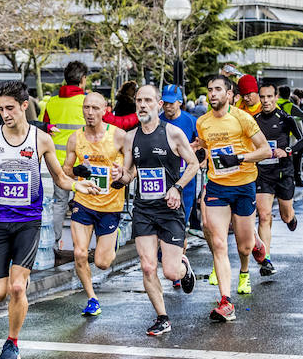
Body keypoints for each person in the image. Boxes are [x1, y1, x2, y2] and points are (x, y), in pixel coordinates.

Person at [0, 80, 101, 359]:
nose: (5, 114)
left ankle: (12, 341)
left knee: (16, 287)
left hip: (29, 223)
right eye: (0, 109)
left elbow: (60, 178)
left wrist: (79, 186)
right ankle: (18, 287)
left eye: (11, 108)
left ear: (25, 106)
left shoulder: (41, 140)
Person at [110, 85, 199, 336]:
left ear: (159, 104)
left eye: (148, 100)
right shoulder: (131, 137)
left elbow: (193, 164)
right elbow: (129, 174)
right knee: (148, 266)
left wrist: (177, 188)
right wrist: (121, 175)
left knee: (170, 271)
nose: (142, 105)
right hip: (144, 209)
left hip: (170, 209)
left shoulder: (173, 134)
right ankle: (162, 317)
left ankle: (183, 266)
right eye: (139, 100)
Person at [195, 75, 272, 318]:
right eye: (210, 90)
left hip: (243, 185)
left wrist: (239, 159)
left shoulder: (243, 119)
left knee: (245, 246)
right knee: (218, 242)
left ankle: (257, 243)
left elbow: (265, 150)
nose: (213, 94)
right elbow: (205, 147)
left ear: (229, 94)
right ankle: (226, 302)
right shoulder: (203, 122)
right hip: (217, 185)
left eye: (218, 89)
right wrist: (198, 154)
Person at [63, 92, 128, 316]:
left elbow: (133, 169)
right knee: (80, 253)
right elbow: (66, 170)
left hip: (110, 205)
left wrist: (123, 175)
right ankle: (92, 298)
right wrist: (76, 172)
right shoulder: (75, 138)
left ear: (105, 110)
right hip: (84, 202)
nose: (89, 113)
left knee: (102, 262)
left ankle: (114, 238)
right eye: (86, 107)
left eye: (94, 108)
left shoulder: (119, 136)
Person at [253, 81, 303, 277]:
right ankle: (266, 260)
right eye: (262, 97)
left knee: (285, 216)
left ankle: (291, 218)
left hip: (284, 172)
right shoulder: (254, 120)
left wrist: (287, 151)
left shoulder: (285, 118)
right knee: (264, 215)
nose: (265, 101)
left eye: (269, 97)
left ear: (276, 97)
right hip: (263, 174)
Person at [42, 60, 89, 256]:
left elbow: (45, 128)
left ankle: (53, 243)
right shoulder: (86, 103)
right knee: (84, 203)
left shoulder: (52, 102)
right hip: (82, 162)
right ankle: (82, 247)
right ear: (82, 80)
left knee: (60, 203)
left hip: (57, 162)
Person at [158, 84, 200, 289]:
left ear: (180, 102)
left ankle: (178, 267)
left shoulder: (191, 122)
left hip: (186, 185)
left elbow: (203, 148)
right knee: (160, 229)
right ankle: (175, 263)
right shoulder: (157, 121)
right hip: (161, 184)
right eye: (164, 102)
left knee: (179, 227)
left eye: (171, 102)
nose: (167, 106)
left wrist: (195, 150)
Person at [278, 86, 303, 187]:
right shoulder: (290, 105)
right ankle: (295, 179)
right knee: (292, 158)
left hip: (274, 134)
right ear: (289, 95)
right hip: (290, 136)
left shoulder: (275, 103)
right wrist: (293, 119)